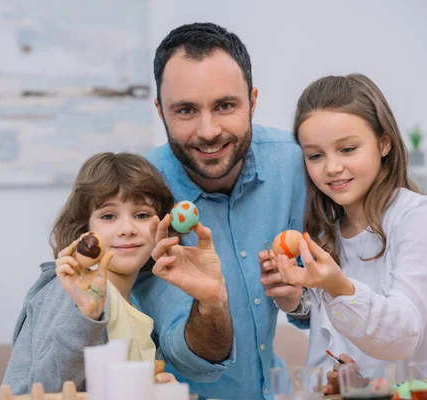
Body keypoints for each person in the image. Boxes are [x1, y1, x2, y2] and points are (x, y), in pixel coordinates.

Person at [272, 73, 427, 394]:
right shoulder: (328, 235)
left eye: (347, 149)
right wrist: (353, 378)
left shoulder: (422, 218)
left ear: (383, 143)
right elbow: (351, 345)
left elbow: (402, 335)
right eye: (315, 155)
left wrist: (336, 285)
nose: (331, 167)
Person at [132, 22, 308, 399]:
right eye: (186, 110)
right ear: (161, 111)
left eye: (225, 105)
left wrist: (301, 297)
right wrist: (211, 301)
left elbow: (317, 301)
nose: (209, 131)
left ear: (253, 101)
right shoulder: (140, 199)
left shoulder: (294, 166)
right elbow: (187, 354)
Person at [2, 152, 181, 394]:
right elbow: (43, 390)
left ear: (162, 225)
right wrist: (85, 316)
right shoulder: (70, 292)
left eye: (141, 215)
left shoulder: (136, 308)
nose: (127, 229)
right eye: (108, 216)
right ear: (84, 228)